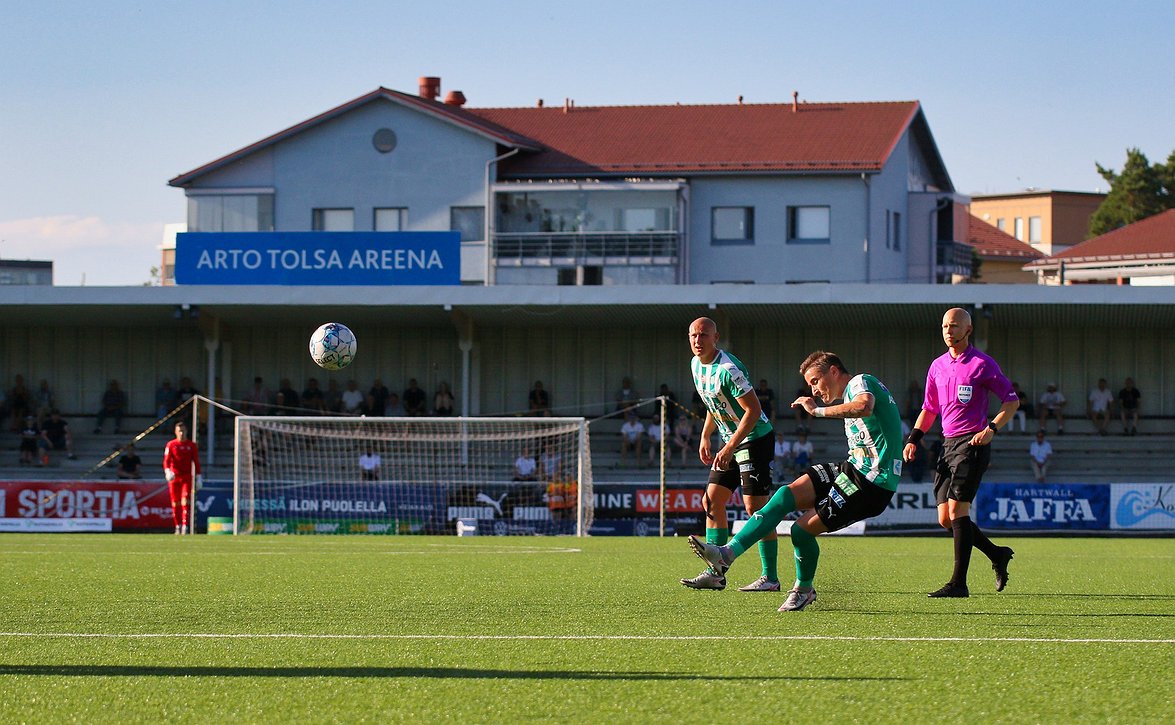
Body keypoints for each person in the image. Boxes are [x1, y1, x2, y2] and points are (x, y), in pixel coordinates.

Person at [689, 350, 904, 611]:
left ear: (834, 371)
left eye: (815, 381)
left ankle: (803, 589)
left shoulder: (860, 382)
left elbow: (864, 407)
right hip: (853, 468)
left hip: (871, 484)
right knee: (783, 496)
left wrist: (817, 411)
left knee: (800, 530)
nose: (813, 391)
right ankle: (726, 554)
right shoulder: (850, 391)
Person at [904, 308, 1018, 598]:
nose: (948, 331)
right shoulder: (937, 366)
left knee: (957, 511)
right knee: (945, 519)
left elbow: (1011, 401)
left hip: (973, 444)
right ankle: (997, 554)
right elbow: (929, 408)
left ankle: (958, 583)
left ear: (968, 330)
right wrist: (914, 438)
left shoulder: (983, 363)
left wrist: (992, 428)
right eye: (944, 326)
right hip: (947, 445)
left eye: (954, 326)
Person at [679, 317, 780, 594]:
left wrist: (728, 446)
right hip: (730, 441)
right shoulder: (695, 365)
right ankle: (715, 574)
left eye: (703, 335)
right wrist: (705, 435)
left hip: (754, 439)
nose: (697, 341)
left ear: (716, 337)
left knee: (757, 510)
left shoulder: (729, 369)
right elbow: (715, 403)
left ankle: (770, 577)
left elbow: (753, 411)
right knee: (711, 501)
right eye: (693, 336)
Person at [163, 421, 201, 535]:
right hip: (175, 477)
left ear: (186, 431)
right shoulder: (171, 445)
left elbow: (196, 461)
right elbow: (166, 460)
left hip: (187, 477)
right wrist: (167, 471)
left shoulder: (191, 445)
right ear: (175, 432)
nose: (181, 433)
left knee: (186, 501)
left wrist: (199, 476)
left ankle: (185, 526)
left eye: (183, 430)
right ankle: (177, 525)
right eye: (179, 431)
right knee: (175, 503)